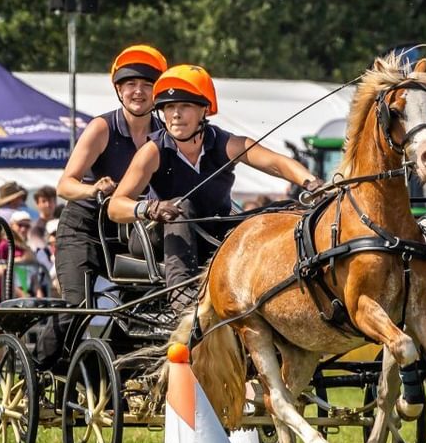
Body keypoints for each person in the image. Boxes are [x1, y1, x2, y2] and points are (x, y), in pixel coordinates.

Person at [109, 64, 322, 312]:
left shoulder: (224, 143)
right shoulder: (153, 151)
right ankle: (184, 304)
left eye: (185, 106)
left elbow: (275, 163)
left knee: (282, 209)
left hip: (210, 229)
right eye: (169, 107)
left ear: (204, 111)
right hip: (157, 232)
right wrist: (151, 208)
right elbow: (115, 206)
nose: (175, 114)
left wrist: (311, 183)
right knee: (182, 206)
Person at [32, 44, 170, 372]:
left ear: (157, 92)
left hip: (126, 234)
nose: (138, 91)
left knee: (138, 309)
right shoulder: (102, 128)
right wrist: (93, 189)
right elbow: (65, 184)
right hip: (83, 228)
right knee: (78, 306)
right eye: (130, 85)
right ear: (119, 91)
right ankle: (38, 364)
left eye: (147, 85)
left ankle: (110, 374)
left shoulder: (164, 136)